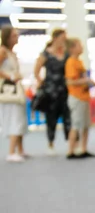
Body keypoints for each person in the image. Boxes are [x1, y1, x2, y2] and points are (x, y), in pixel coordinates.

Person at [34, 28, 70, 156]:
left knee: (68, 117)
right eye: (62, 37)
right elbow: (36, 70)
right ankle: (50, 143)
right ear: (55, 38)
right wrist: (41, 83)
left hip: (65, 90)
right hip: (50, 91)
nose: (64, 40)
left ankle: (71, 144)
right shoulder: (46, 54)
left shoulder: (66, 54)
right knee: (51, 118)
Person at [64, 38, 95, 159]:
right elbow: (70, 81)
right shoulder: (71, 62)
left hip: (84, 97)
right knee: (76, 124)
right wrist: (85, 80)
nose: (82, 47)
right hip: (76, 97)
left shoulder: (79, 62)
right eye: (79, 45)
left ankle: (83, 149)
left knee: (86, 124)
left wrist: (89, 82)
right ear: (72, 48)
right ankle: (71, 151)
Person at [0, 25, 28, 162]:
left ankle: (20, 150)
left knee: (20, 118)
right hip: (8, 90)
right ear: (7, 37)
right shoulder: (2, 52)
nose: (17, 38)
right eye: (14, 35)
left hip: (17, 89)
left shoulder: (13, 53)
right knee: (13, 119)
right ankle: (11, 152)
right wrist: (10, 77)